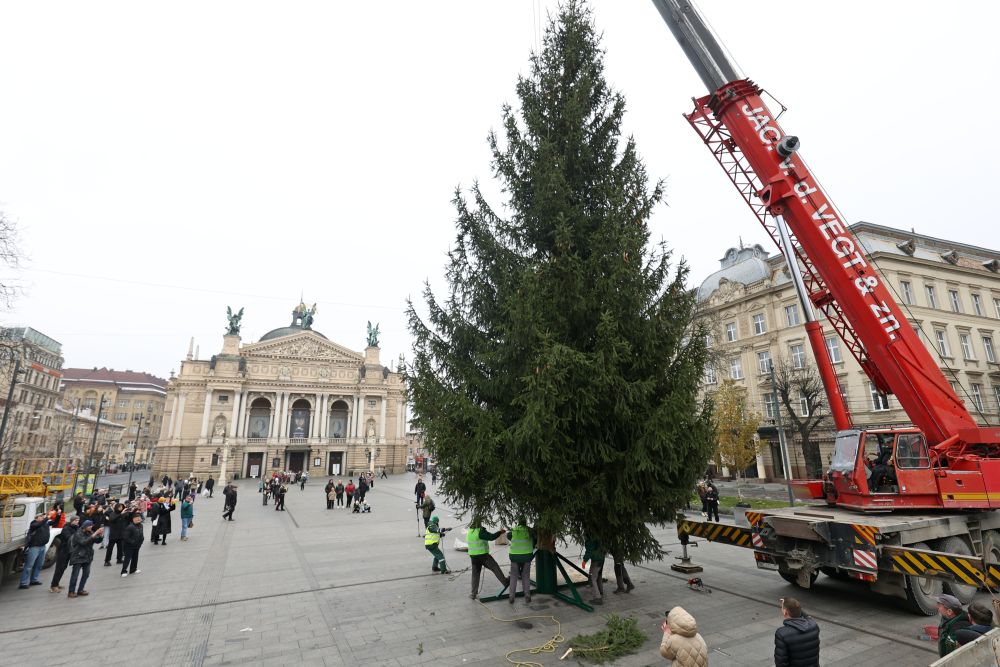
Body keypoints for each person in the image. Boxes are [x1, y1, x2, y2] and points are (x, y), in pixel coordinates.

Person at [466, 520, 510, 599]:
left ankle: (473, 593)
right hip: (483, 556)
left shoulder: (470, 532)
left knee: (475, 575)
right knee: (495, 567)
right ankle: (505, 582)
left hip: (473, 557)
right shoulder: (480, 531)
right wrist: (500, 532)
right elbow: (491, 537)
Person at [774, 596, 820, 666]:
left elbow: (781, 662)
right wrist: (791, 604)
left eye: (782, 608)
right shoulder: (813, 626)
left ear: (785, 612)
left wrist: (787, 603)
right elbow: (807, 616)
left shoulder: (782, 634)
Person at [67, 520, 103, 598]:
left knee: (86, 574)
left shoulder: (90, 532)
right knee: (75, 575)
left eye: (91, 525)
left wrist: (100, 535)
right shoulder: (78, 533)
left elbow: (97, 541)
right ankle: (71, 591)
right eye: (89, 526)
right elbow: (83, 542)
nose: (91, 527)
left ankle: (80, 590)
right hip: (78, 556)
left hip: (87, 556)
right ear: (85, 526)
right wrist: (94, 534)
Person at [18, 513, 51, 589]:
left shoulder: (45, 523)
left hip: (42, 546)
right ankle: (23, 583)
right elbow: (37, 525)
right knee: (29, 565)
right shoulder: (34, 524)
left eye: (43, 516)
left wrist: (58, 514)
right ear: (36, 518)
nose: (43, 517)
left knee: (39, 565)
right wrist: (46, 518)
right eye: (41, 516)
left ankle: (34, 580)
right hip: (34, 547)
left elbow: (54, 522)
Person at [507, 518, 535, 604]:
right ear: (525, 523)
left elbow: (508, 536)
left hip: (514, 557)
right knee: (525, 576)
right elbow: (535, 539)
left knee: (513, 576)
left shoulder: (514, 530)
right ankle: (527, 596)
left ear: (518, 523)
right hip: (527, 556)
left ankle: (511, 597)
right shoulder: (530, 531)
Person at [50, 515, 80, 593]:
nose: (77, 522)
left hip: (69, 551)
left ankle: (57, 583)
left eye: (78, 520)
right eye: (76, 520)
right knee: (59, 568)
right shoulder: (66, 528)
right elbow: (69, 538)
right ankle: (53, 586)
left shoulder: (76, 528)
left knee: (63, 568)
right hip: (63, 551)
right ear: (72, 521)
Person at [583, 535, 606, 605]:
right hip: (600, 558)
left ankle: (598, 598)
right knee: (597, 576)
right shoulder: (597, 534)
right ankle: (600, 592)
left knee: (592, 578)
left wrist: (584, 560)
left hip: (596, 560)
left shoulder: (591, 536)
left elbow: (590, 550)